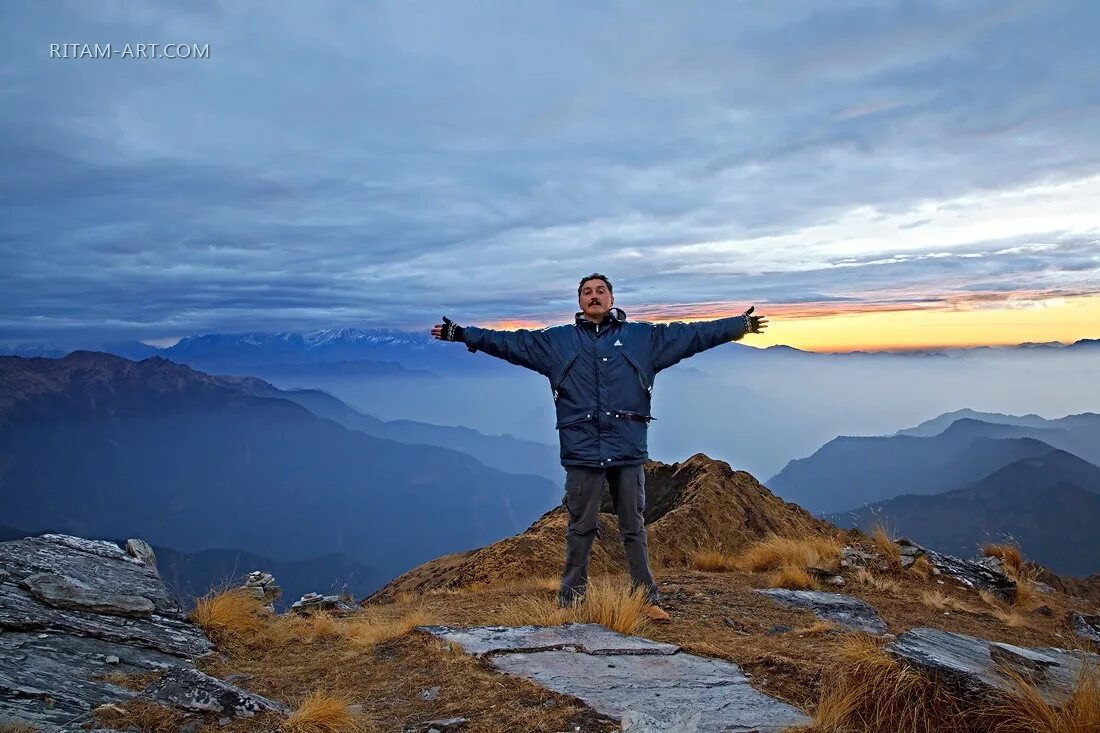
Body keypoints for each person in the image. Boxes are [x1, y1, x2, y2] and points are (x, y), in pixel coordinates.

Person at [431, 273, 768, 622]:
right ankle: (572, 602)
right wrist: (463, 335)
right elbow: (507, 342)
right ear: (579, 302)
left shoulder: (643, 339)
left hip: (626, 448)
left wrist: (738, 325)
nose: (594, 297)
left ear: (612, 298)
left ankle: (645, 599)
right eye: (587, 292)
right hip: (582, 450)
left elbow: (691, 335)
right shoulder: (556, 343)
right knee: (580, 527)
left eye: (600, 291)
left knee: (633, 526)